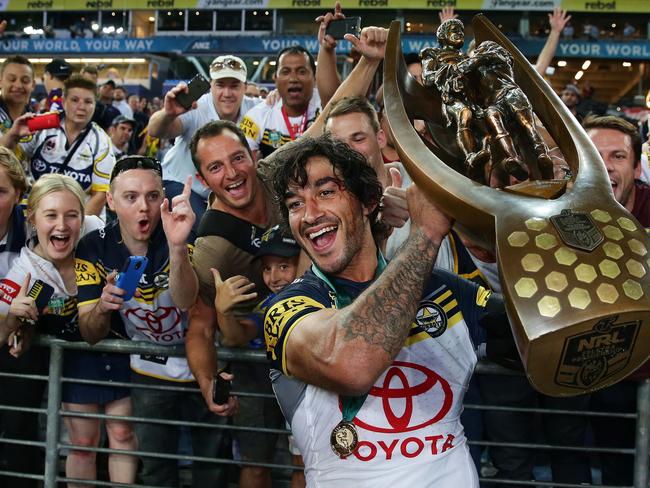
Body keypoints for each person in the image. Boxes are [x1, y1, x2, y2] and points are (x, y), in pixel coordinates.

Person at [263, 134, 502, 486]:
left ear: (369, 201)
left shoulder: (445, 292)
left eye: (326, 192)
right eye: (295, 203)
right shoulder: (287, 307)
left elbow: (550, 339)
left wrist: (515, 220)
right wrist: (426, 234)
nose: (310, 214)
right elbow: (352, 364)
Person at [76, 155, 235, 487]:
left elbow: (186, 300)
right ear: (110, 201)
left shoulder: (184, 227)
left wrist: (177, 248)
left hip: (204, 361)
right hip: (148, 371)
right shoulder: (93, 248)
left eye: (152, 196)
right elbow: (90, 333)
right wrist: (102, 308)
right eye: (130, 197)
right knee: (157, 470)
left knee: (212, 470)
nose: (144, 208)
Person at [0, 174, 137, 487]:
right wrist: (13, 321)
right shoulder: (24, 271)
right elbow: (2, 333)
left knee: (123, 432)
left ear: (83, 216)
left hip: (120, 347)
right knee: (83, 442)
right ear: (32, 219)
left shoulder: (95, 231)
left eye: (71, 215)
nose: (62, 225)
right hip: (75, 360)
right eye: (51, 215)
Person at [186, 120, 284, 488]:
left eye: (237, 158)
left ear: (254, 156)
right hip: (254, 368)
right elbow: (200, 324)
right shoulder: (211, 247)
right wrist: (207, 380)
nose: (231, 173)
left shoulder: (282, 174)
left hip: (313, 351)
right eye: (215, 167)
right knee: (256, 465)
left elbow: (328, 119)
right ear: (202, 178)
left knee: (315, 460)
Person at [583, 114, 649, 486]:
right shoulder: (562, 214)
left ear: (637, 167)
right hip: (604, 373)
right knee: (617, 472)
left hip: (646, 377)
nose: (605, 165)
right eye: (594, 153)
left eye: (618, 156)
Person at [148, 55, 257, 231]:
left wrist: (277, 95)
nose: (227, 93)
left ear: (245, 87)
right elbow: (156, 131)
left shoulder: (256, 109)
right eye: (220, 85)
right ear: (211, 86)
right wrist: (168, 114)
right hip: (181, 183)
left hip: (223, 191)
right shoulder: (197, 106)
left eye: (234, 86)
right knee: (203, 227)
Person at [2, 75, 116, 217]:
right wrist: (13, 135)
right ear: (63, 101)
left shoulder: (102, 141)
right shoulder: (42, 124)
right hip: (34, 214)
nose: (81, 107)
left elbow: (100, 195)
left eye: (88, 102)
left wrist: (76, 229)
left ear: (95, 105)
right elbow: (5, 158)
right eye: (75, 100)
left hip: (78, 218)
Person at [0, 147, 43, 488]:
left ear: (18, 194)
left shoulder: (34, 232)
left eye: (0, 191)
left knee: (19, 430)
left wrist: (27, 323)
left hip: (18, 347)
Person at [239, 45, 321, 159]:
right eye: (285, 72)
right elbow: (247, 166)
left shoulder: (325, 107)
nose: (293, 79)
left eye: (302, 72)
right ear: (275, 79)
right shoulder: (256, 117)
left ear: (314, 77)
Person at [0, 56, 35, 133]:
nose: (18, 85)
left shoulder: (36, 119)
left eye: (25, 81)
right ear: (0, 82)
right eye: (12, 79)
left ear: (33, 85)